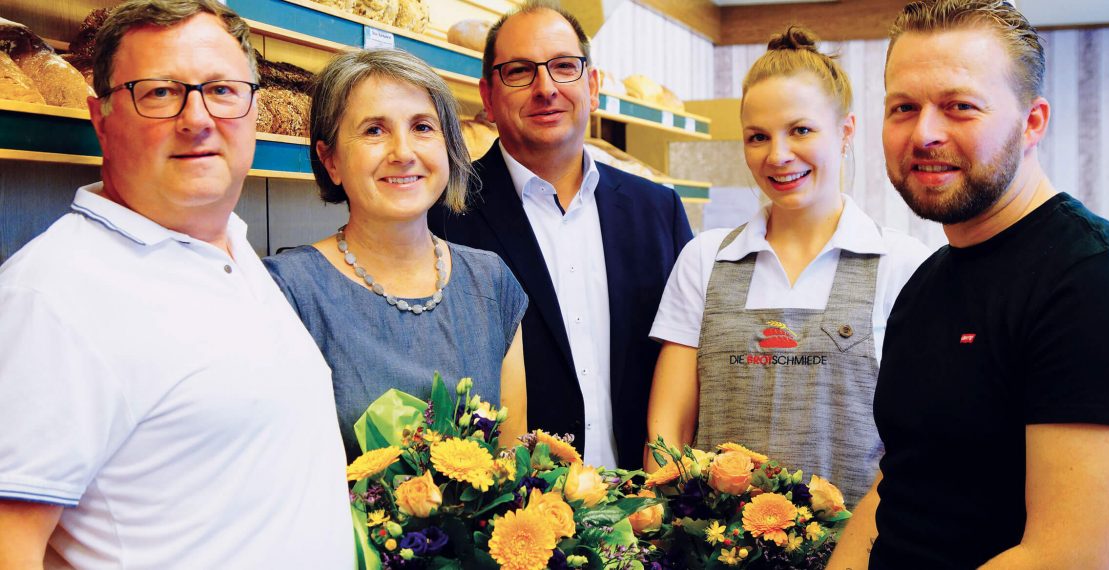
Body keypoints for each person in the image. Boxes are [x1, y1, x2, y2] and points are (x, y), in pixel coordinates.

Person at [0, 0, 353, 567]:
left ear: (253, 110)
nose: (197, 118)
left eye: (222, 89)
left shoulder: (234, 249)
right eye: (159, 92)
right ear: (101, 118)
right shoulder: (51, 295)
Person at [828, 1, 1109, 568]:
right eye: (903, 107)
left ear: (1033, 122)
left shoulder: (1101, 282)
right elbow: (898, 482)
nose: (924, 133)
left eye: (960, 107)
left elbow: (1065, 557)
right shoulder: (927, 282)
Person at [644, 27, 929, 505]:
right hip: (717, 548)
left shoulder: (902, 265)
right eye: (758, 137)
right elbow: (668, 429)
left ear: (845, 132)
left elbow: (919, 443)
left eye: (800, 130)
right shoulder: (705, 260)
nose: (777, 156)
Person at [428, 1, 693, 470]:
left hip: (650, 509)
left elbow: (688, 368)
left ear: (592, 85)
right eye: (520, 72)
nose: (546, 88)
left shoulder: (659, 211)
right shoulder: (444, 217)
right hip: (514, 521)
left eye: (564, 67)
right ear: (487, 96)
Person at [263, 48, 528, 463]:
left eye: (422, 127)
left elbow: (513, 465)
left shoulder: (491, 281)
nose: (403, 152)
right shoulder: (285, 292)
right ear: (330, 160)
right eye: (373, 131)